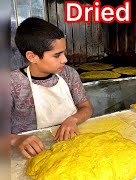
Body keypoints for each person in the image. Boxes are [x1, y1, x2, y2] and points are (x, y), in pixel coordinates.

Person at [10, 17, 93, 158]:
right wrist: (16, 139)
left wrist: (73, 120)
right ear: (32, 56)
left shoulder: (69, 74)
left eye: (64, 52)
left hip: (71, 142)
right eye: (57, 55)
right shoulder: (10, 83)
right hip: (31, 152)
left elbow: (86, 107)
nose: (65, 60)